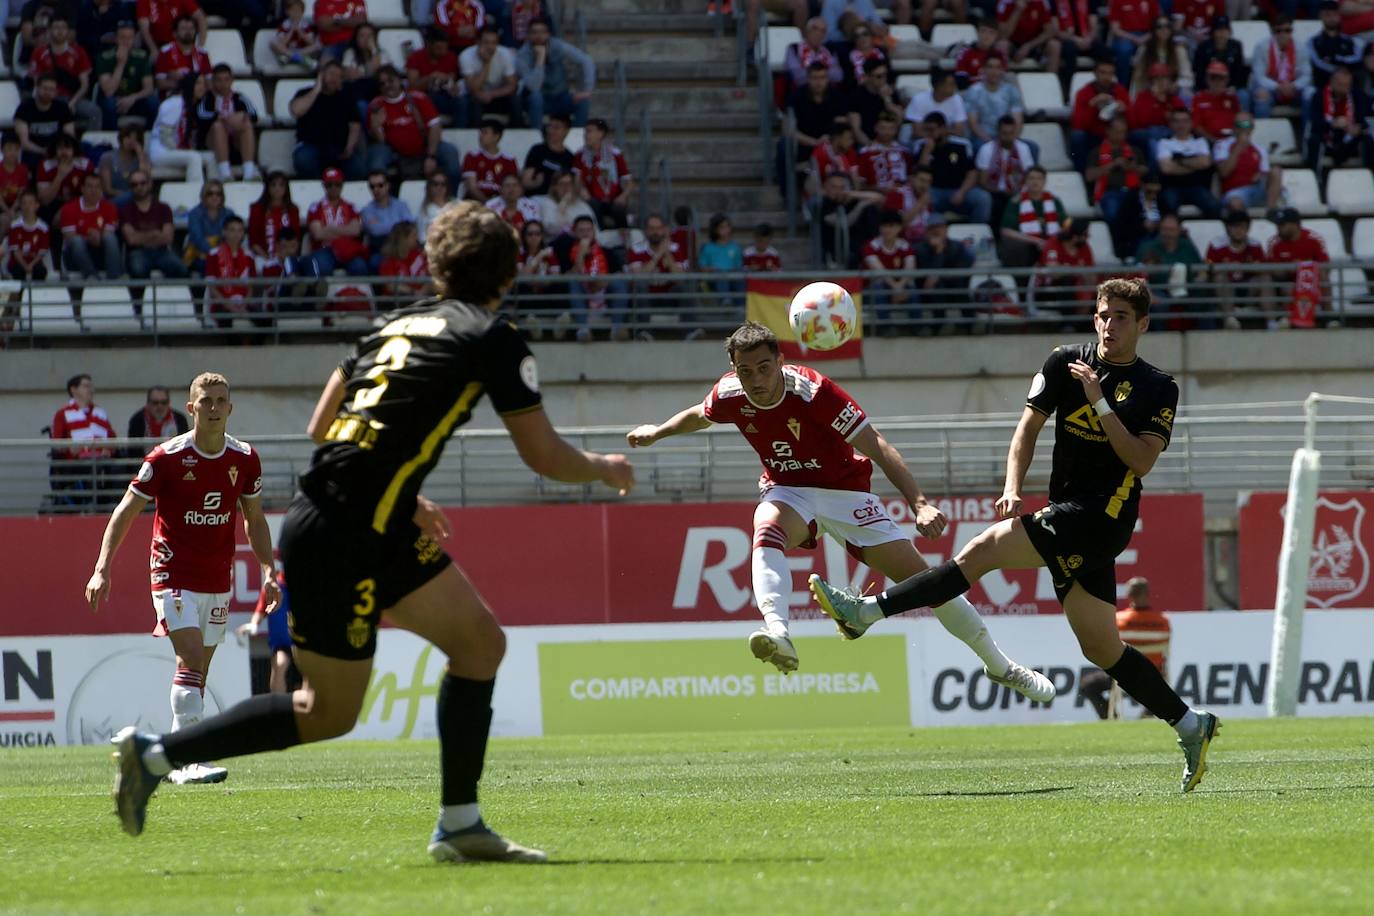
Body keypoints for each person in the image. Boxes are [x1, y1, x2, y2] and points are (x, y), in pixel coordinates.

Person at [111, 202, 636, 862]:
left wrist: (401, 493)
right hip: (342, 530)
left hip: (362, 519)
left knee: (479, 644)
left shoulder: (389, 326)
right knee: (326, 712)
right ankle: (156, 756)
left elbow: (323, 426)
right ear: (508, 273)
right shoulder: (492, 337)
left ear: (439, 264)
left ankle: (461, 825)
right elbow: (545, 456)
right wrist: (605, 468)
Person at [810, 276, 1221, 793]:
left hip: (1103, 516)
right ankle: (1191, 724)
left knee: (982, 551)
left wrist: (1099, 402)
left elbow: (1140, 462)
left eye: (1119, 317)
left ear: (1142, 325)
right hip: (1066, 511)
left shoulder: (1159, 387)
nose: (1107, 325)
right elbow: (1027, 428)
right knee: (1102, 648)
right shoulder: (1063, 361)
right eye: (1101, 314)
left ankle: (866, 612)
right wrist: (1011, 488)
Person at [626, 321, 1053, 696]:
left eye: (763, 368)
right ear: (734, 369)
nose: (755, 379)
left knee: (931, 584)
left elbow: (877, 445)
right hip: (788, 489)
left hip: (847, 494)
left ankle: (1000, 666)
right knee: (766, 527)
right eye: (745, 370)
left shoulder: (814, 391)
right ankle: (778, 631)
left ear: (779, 361)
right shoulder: (731, 393)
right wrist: (657, 432)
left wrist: (919, 504)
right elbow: (700, 415)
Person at [90, 372, 275, 786]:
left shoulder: (245, 459)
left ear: (230, 408)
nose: (212, 408)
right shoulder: (166, 457)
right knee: (191, 656)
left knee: (197, 671)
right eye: (204, 401)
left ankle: (170, 755)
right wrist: (102, 567)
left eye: (220, 400)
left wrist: (268, 570)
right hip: (170, 570)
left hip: (216, 576)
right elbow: (124, 512)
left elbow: (255, 520)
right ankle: (190, 759)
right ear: (190, 408)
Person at [1078, 577, 1171, 719]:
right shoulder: (1163, 621)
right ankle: (1145, 719)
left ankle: (1112, 718)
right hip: (1153, 675)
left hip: (1122, 675)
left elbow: (1107, 646)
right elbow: (1165, 651)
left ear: (1129, 595)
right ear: (1148, 594)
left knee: (1087, 685)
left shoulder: (1119, 620)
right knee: (1157, 686)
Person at [367, 65, 463, 190]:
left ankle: (452, 196)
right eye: (382, 83)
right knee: (377, 157)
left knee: (450, 151)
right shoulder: (376, 105)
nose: (387, 85)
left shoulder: (418, 98)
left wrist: (431, 156)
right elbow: (381, 141)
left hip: (425, 148)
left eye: (391, 80)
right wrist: (376, 127)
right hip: (395, 152)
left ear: (399, 80)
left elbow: (435, 127)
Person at [119, 168, 189, 307]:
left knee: (182, 269)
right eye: (134, 184)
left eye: (142, 183)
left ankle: (176, 306)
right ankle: (139, 309)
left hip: (161, 251)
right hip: (137, 252)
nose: (139, 187)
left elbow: (168, 238)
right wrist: (154, 234)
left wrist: (142, 237)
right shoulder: (125, 209)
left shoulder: (164, 208)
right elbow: (131, 240)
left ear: (150, 184)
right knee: (138, 270)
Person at [289, 60, 367, 180]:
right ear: (322, 75)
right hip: (311, 146)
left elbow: (355, 125)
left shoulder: (347, 98)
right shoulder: (305, 93)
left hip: (338, 149)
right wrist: (316, 89)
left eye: (338, 76)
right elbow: (296, 110)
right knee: (303, 160)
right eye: (331, 74)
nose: (334, 78)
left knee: (358, 168)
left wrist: (349, 147)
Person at [50, 373, 120, 503]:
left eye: (91, 386)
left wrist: (109, 449)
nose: (90, 390)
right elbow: (57, 444)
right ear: (73, 389)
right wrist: (71, 449)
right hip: (76, 463)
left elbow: (113, 439)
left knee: (118, 469)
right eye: (86, 386)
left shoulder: (100, 413)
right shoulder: (63, 414)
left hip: (101, 461)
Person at [911, 112, 991, 224]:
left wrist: (962, 192)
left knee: (982, 198)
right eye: (926, 130)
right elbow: (919, 174)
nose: (929, 134)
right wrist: (926, 152)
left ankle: (978, 231)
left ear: (943, 128)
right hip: (933, 190)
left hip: (958, 188)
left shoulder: (961, 144)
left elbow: (972, 173)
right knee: (921, 199)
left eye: (932, 130)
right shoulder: (921, 145)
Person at [30, 14, 103, 134]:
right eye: (56, 27)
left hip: (73, 98)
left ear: (68, 31)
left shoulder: (79, 52)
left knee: (95, 112)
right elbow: (37, 83)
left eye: (63, 28)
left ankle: (91, 145)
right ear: (49, 30)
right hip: (48, 99)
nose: (60, 31)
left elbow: (84, 85)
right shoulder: (39, 53)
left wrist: (72, 103)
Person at [516, 17, 593, 128]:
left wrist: (587, 90)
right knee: (535, 97)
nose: (538, 36)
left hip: (560, 96)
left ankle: (576, 138)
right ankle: (537, 137)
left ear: (548, 34)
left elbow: (586, 60)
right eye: (534, 32)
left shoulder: (558, 45)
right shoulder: (522, 55)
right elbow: (534, 87)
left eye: (542, 32)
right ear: (528, 35)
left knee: (583, 101)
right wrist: (540, 60)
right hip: (537, 99)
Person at [237, 572, 300, 694]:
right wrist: (253, 624)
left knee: (309, 669)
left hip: (304, 644)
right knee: (279, 664)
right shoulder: (275, 586)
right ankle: (278, 708)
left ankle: (307, 707)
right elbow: (260, 610)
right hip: (283, 645)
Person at [196, 64, 260, 182]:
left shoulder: (239, 97)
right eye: (219, 80)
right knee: (218, 126)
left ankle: (249, 172)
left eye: (226, 79)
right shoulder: (207, 98)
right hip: (212, 141)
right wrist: (222, 118)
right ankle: (225, 173)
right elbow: (200, 115)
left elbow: (254, 115)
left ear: (231, 80)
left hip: (235, 140)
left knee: (246, 124)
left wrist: (240, 117)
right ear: (213, 81)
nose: (223, 84)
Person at [1204, 208, 1266, 330]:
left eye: (1242, 227)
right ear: (1228, 228)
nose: (1239, 231)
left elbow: (1263, 267)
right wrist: (1224, 267)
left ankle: (1272, 322)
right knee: (1220, 277)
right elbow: (1208, 266)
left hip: (1248, 288)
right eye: (1235, 227)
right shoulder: (1216, 245)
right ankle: (1229, 318)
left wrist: (1249, 267)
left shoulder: (1255, 245)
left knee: (1265, 278)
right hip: (1227, 288)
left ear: (1248, 228)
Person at [304, 167, 370, 278]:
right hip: (324, 249)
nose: (333, 188)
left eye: (337, 184)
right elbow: (318, 234)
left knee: (360, 267)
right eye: (329, 185)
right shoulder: (315, 207)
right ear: (324, 186)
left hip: (347, 249)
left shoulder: (351, 207)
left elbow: (355, 231)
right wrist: (345, 229)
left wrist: (330, 228)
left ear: (342, 185)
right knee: (323, 268)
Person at [1155, 107, 1220, 217]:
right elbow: (1166, 168)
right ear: (1171, 124)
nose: (1181, 125)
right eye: (1177, 121)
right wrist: (1194, 165)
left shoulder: (1200, 142)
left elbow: (1205, 163)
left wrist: (1178, 161)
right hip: (1172, 187)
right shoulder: (1164, 142)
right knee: (1167, 206)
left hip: (1197, 187)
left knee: (1214, 207)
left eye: (1185, 121)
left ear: (1191, 123)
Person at [997, 165, 1065, 272]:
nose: (1035, 182)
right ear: (1025, 181)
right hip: (1026, 245)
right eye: (1031, 178)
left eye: (1039, 178)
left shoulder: (1054, 201)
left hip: (1052, 243)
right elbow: (1006, 231)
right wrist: (1037, 241)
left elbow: (1066, 226)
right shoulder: (1016, 202)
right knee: (1012, 246)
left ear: (1044, 181)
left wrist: (1051, 242)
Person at [913, 213, 973, 332]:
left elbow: (961, 271)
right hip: (927, 293)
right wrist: (938, 252)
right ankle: (939, 325)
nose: (936, 231)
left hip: (952, 287)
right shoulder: (920, 249)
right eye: (932, 228)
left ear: (946, 229)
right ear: (927, 231)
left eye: (939, 227)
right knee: (937, 286)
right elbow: (927, 279)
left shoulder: (957, 247)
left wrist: (939, 277)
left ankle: (971, 324)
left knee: (958, 285)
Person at [1070, 56, 1131, 172]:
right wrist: (1093, 104)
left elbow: (1133, 122)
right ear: (1095, 73)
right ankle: (1080, 173)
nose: (1107, 77)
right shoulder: (1084, 92)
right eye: (1103, 73)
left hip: (1116, 135)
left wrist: (1124, 110)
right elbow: (1078, 125)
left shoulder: (1120, 91)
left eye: (1110, 73)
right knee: (1077, 137)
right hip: (1093, 135)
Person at [94, 20, 157, 130]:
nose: (126, 41)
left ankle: (149, 138)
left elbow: (149, 88)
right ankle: (111, 141)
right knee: (109, 104)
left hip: (135, 100)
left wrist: (132, 98)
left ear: (134, 39)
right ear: (116, 39)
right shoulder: (104, 57)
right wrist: (120, 64)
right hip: (114, 100)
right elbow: (109, 91)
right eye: (122, 37)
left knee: (153, 102)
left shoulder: (141, 56)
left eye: (130, 38)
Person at [1214, 113, 1283, 212]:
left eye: (1246, 125)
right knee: (1235, 203)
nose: (1242, 129)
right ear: (1233, 127)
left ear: (1252, 128)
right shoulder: (1222, 145)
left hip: (1256, 189)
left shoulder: (1260, 150)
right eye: (1239, 125)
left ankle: (1270, 212)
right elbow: (1224, 172)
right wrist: (1238, 148)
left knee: (1276, 171)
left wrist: (1260, 175)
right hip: (1234, 191)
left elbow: (1265, 174)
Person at [60, 171, 122, 281]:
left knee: (110, 238)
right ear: (82, 188)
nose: (94, 190)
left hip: (100, 252)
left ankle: (113, 279)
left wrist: (98, 237)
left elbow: (108, 234)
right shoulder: (69, 208)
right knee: (77, 241)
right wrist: (89, 238)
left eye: (97, 187)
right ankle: (92, 277)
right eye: (90, 186)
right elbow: (70, 237)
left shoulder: (109, 208)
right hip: (75, 256)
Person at [1087, 115, 1147, 228]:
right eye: (1117, 132)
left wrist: (1132, 168)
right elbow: (1089, 176)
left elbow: (1145, 170)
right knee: (1113, 213)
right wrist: (1113, 164)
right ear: (1108, 131)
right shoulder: (1097, 151)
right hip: (1110, 193)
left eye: (1123, 132)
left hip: (1134, 192)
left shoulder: (1134, 150)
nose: (1121, 135)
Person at [573, 118, 634, 230]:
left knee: (619, 208)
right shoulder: (580, 154)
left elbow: (629, 182)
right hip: (593, 199)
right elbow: (576, 179)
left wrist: (623, 196)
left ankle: (625, 240)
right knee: (593, 205)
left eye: (589, 131)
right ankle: (598, 239)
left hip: (613, 199)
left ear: (600, 134)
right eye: (585, 132)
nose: (585, 135)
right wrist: (581, 189)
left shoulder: (615, 154)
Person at [862, 210, 915, 334]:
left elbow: (910, 269)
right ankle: (886, 328)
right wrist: (896, 288)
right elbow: (880, 272)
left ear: (899, 228)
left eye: (891, 226)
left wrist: (900, 287)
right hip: (873, 289)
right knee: (879, 289)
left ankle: (919, 327)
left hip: (897, 286)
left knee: (912, 290)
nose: (887, 230)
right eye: (884, 226)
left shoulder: (905, 246)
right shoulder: (871, 246)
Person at [150, 73, 209, 182]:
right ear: (189, 85)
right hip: (162, 152)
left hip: (176, 150)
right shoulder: (174, 103)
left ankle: (217, 191)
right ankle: (196, 194)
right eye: (198, 83)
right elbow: (165, 137)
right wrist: (184, 151)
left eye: (204, 84)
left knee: (212, 158)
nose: (202, 87)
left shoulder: (194, 105)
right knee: (194, 157)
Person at [976, 115, 1033, 228]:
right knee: (997, 202)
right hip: (994, 191)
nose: (1007, 137)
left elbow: (1029, 175)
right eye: (1004, 133)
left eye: (1011, 133)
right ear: (998, 132)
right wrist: (1000, 192)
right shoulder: (987, 149)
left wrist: (1018, 190)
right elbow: (982, 181)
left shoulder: (1023, 148)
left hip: (1017, 190)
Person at [963, 55, 1028, 155]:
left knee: (1032, 148)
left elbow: (1018, 121)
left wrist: (1011, 140)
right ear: (983, 69)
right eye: (990, 67)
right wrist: (992, 143)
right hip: (982, 138)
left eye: (998, 67)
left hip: (1007, 137)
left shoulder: (1011, 90)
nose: (994, 71)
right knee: (980, 148)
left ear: (1002, 70)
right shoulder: (973, 91)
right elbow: (973, 124)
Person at [205, 216, 262, 328]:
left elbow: (250, 287)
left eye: (240, 230)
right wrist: (228, 305)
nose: (236, 234)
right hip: (222, 304)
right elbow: (212, 287)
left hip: (244, 303)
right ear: (224, 232)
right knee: (226, 321)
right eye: (232, 230)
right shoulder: (213, 254)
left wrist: (244, 305)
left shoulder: (249, 256)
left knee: (265, 320)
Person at [1306, 65, 1366, 170]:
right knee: (1314, 140)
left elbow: (1365, 120)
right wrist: (1333, 123)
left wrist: (1358, 128)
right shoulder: (1319, 96)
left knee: (1368, 139)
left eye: (1347, 85)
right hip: (1326, 136)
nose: (1344, 88)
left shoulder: (1357, 96)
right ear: (1332, 82)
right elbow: (1315, 122)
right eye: (1340, 85)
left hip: (1349, 140)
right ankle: (1315, 178)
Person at [1249, 17, 1310, 119]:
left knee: (1310, 94)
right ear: (1273, 31)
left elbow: (1307, 75)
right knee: (1262, 97)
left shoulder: (1301, 47)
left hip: (1293, 88)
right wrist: (1278, 87)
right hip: (1270, 88)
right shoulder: (1261, 47)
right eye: (1279, 31)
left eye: (1287, 30)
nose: (1283, 34)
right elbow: (1259, 77)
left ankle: (1308, 133)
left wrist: (1293, 86)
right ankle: (1262, 133)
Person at [15, 74, 76, 171]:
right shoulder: (24, 108)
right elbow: (24, 142)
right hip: (33, 151)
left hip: (57, 151)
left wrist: (58, 151)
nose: (47, 92)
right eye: (44, 88)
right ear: (37, 88)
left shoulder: (63, 108)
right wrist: (43, 151)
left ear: (56, 92)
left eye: (51, 89)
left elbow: (69, 136)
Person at [460, 25, 518, 125]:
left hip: (498, 95)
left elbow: (512, 86)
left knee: (515, 100)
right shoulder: (466, 56)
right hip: (476, 96)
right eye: (486, 43)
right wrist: (486, 63)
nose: (490, 47)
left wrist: (491, 94)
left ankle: (519, 133)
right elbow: (473, 88)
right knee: (471, 102)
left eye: (494, 43)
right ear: (478, 42)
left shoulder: (505, 54)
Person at [406, 28, 463, 125]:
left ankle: (460, 132)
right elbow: (412, 86)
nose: (443, 52)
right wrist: (431, 77)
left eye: (445, 48)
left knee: (462, 102)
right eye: (439, 48)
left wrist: (450, 84)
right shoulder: (415, 57)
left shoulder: (450, 57)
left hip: (444, 95)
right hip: (424, 97)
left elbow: (452, 80)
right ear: (429, 45)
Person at [361, 170, 415, 268]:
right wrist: (398, 225)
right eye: (372, 187)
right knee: (375, 262)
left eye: (380, 185)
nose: (376, 189)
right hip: (379, 248)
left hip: (402, 246)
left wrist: (383, 225)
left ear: (387, 186)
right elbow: (375, 231)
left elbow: (408, 226)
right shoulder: (367, 210)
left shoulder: (401, 205)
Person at [1129, 16, 1192, 95]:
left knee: (1186, 94)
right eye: (1159, 27)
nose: (1164, 30)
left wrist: (1176, 85)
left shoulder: (1179, 50)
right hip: (1150, 90)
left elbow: (1187, 76)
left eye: (1167, 26)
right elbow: (1138, 78)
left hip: (1173, 90)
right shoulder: (1144, 49)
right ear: (1154, 30)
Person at [248, 172, 301, 263]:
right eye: (273, 185)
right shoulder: (257, 209)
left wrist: (285, 255)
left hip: (288, 256)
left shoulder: (292, 210)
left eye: (281, 185)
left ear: (286, 188)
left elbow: (296, 238)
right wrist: (268, 259)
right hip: (262, 257)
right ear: (267, 188)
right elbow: (253, 241)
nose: (277, 188)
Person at [997, 0, 1060, 77]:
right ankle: (1002, 83)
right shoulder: (1005, 3)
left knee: (1054, 45)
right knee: (1002, 45)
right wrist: (1018, 10)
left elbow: (1050, 31)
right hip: (1013, 44)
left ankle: (1050, 83)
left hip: (1033, 44)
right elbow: (1003, 36)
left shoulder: (1040, 2)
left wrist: (1028, 46)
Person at [1309, 0, 1361, 93]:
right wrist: (1338, 70)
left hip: (1349, 86)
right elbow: (1318, 63)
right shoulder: (1313, 42)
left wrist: (1335, 59)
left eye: (1335, 14)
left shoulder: (1350, 41)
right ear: (1321, 16)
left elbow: (1356, 59)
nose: (1332, 18)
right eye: (1328, 15)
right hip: (1323, 86)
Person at [184, 178, 233, 276]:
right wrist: (215, 253)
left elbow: (232, 237)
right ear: (204, 196)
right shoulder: (194, 214)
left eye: (218, 194)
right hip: (199, 255)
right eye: (210, 193)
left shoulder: (229, 214)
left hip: (224, 255)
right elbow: (198, 239)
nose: (214, 197)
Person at [153, 14, 211, 95]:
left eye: (191, 28)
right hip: (172, 97)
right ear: (175, 33)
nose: (188, 31)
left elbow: (209, 83)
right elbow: (160, 83)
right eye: (184, 28)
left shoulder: (202, 53)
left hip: (197, 98)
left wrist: (181, 80)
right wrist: (189, 84)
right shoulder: (165, 52)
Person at [462, 119, 519, 202]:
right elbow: (472, 187)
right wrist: (488, 203)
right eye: (480, 132)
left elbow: (512, 187)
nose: (480, 136)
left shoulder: (509, 159)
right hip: (475, 202)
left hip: (501, 203)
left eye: (485, 132)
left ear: (496, 136)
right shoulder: (472, 156)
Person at [697, 213, 744, 311]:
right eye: (722, 227)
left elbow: (738, 266)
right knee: (720, 274)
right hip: (714, 280)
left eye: (727, 226)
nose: (726, 230)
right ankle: (725, 301)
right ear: (715, 229)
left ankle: (741, 306)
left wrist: (729, 272)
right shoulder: (707, 248)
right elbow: (702, 268)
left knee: (739, 275)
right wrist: (714, 270)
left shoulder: (735, 247)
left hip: (732, 279)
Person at [521, 113, 574, 195]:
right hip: (536, 198)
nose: (551, 130)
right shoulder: (537, 150)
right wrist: (535, 184)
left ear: (566, 131)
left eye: (556, 128)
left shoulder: (570, 157)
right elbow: (526, 181)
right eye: (549, 126)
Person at [99, 124, 153, 206]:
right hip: (113, 199)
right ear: (122, 138)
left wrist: (140, 156)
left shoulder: (142, 157)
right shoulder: (108, 157)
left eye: (135, 139)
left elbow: (148, 182)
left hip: (137, 198)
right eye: (128, 137)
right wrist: (129, 195)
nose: (131, 141)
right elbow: (108, 189)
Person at [377, 220, 429, 304]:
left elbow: (431, 277)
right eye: (413, 235)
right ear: (403, 238)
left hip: (423, 298)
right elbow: (390, 286)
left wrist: (422, 292)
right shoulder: (388, 260)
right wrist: (413, 292)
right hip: (399, 302)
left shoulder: (420, 255)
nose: (417, 238)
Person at [784, 17, 842, 89]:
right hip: (802, 92)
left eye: (823, 31)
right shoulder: (794, 49)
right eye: (815, 28)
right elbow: (797, 76)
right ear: (807, 31)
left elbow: (838, 76)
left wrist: (812, 74)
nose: (818, 33)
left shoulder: (829, 51)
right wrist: (823, 74)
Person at [1191, 59, 1241, 143]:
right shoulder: (1198, 98)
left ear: (1227, 80)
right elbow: (1196, 127)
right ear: (1207, 78)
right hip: (1208, 142)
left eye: (1221, 78)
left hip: (1231, 140)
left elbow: (1240, 121)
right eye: (1213, 77)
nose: (1217, 81)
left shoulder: (1232, 98)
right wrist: (1214, 141)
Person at [137, 0, 205, 56]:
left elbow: (200, 17)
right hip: (154, 43)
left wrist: (200, 46)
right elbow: (144, 28)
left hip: (178, 45)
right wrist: (153, 49)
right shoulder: (144, 1)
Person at [271, 0, 322, 69]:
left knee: (318, 45)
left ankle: (292, 57)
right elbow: (282, 43)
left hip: (302, 51)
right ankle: (296, 57)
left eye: (298, 11)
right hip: (287, 50)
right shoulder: (285, 25)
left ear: (302, 12)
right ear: (287, 12)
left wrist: (299, 31)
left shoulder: (305, 25)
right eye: (293, 11)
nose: (296, 14)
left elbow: (311, 42)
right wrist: (291, 31)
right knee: (273, 43)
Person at [416, 173, 453, 243]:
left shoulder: (457, 204)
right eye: (435, 184)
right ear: (429, 187)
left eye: (443, 184)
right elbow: (422, 238)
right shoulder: (424, 211)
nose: (439, 187)